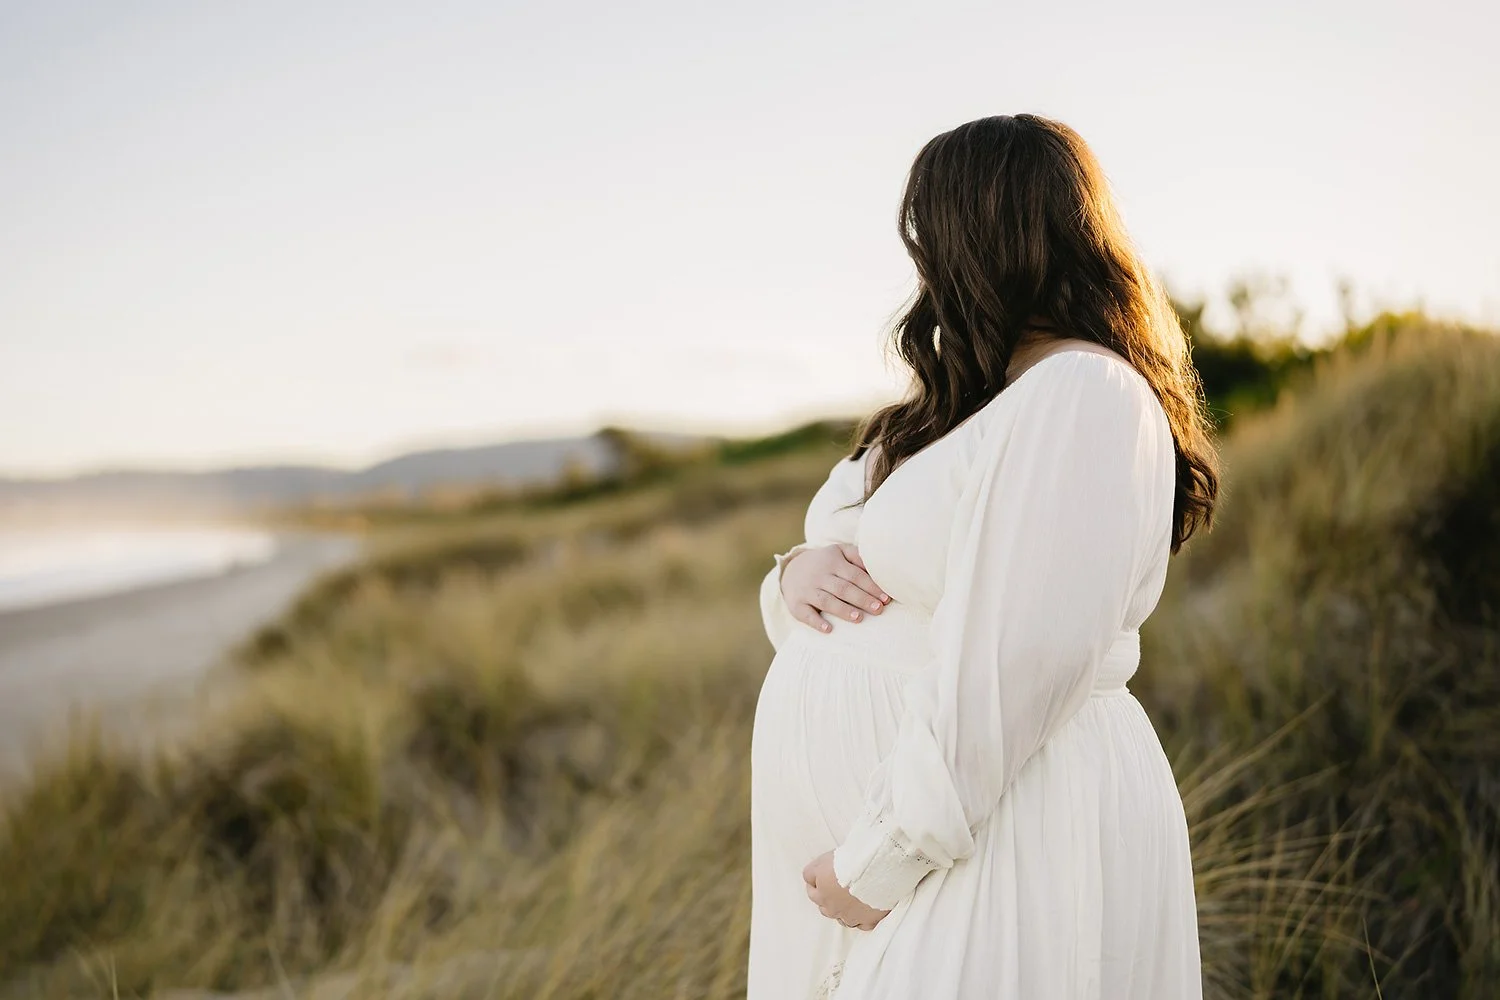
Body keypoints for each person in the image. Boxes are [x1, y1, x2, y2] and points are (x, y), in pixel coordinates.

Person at [747, 114, 1220, 999]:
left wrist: (877, 862)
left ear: (988, 233)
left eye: (931, 230)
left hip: (995, 834)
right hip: (918, 843)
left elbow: (1014, 668)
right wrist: (789, 577)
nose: (923, 261)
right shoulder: (958, 407)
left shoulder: (1084, 394)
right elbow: (845, 583)